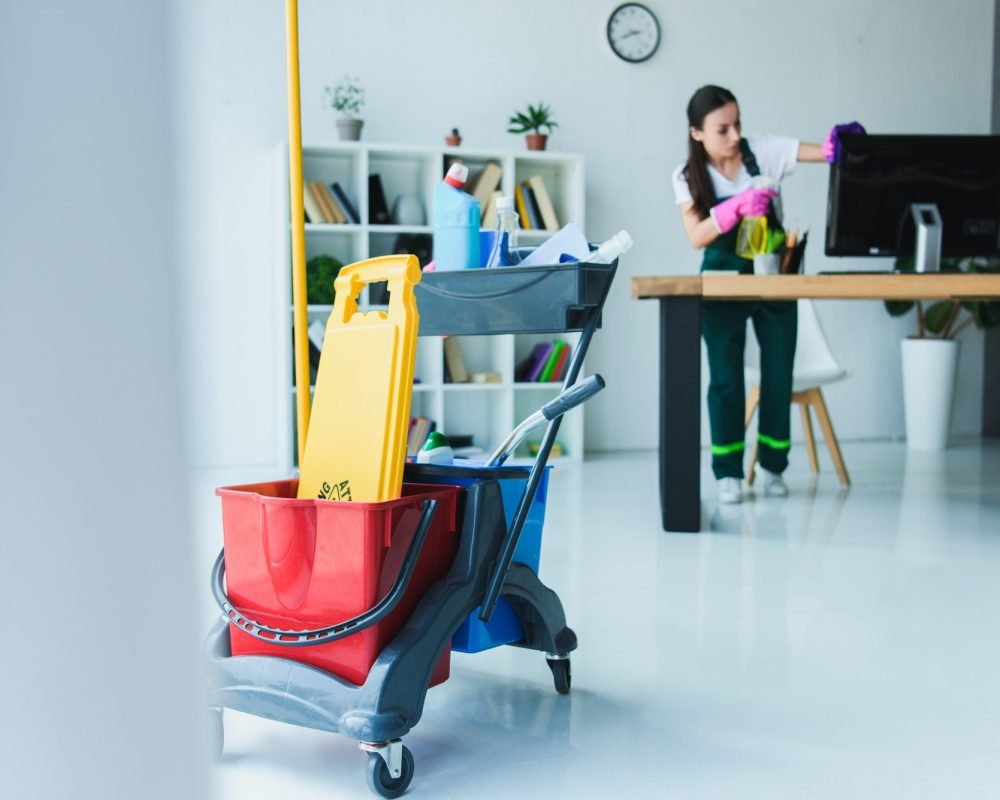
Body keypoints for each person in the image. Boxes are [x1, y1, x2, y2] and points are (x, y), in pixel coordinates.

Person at [671, 84, 862, 504]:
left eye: (737, 123)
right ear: (697, 132)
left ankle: (774, 466)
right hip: (722, 279)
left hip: (774, 275)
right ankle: (728, 473)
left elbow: (822, 153)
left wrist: (838, 145)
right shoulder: (687, 176)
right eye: (722, 128)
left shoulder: (763, 151)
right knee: (725, 378)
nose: (734, 135)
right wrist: (734, 208)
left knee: (779, 372)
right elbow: (697, 235)